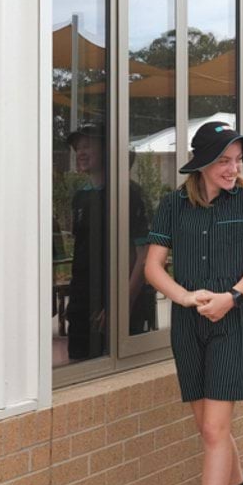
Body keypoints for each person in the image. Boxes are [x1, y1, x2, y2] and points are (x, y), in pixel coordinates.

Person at [143, 122, 243, 485]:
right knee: (207, 427)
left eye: (237, 160)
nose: (232, 168)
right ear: (201, 164)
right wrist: (183, 298)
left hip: (231, 323)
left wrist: (231, 297)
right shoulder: (173, 205)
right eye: (223, 160)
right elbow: (153, 266)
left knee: (216, 430)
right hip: (188, 325)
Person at [64, 122, 153, 361]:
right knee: (79, 366)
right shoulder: (81, 197)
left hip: (117, 304)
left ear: (107, 150)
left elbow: (143, 256)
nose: (80, 152)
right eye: (77, 147)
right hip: (82, 302)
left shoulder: (129, 194)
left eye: (88, 146)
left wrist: (120, 304)